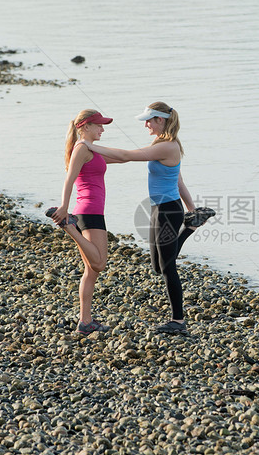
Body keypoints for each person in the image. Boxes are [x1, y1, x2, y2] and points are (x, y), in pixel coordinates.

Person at [83, 102, 215, 335]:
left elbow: (126, 156)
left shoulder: (169, 147)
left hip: (169, 211)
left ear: (160, 120)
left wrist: (88, 145)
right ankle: (192, 225)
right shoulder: (160, 144)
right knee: (157, 265)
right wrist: (89, 156)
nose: (146, 124)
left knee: (167, 266)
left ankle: (178, 321)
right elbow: (178, 180)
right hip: (159, 209)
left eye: (149, 120)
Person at [47, 109, 121, 334]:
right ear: (84, 126)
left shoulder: (91, 150)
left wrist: (151, 154)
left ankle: (85, 322)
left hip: (90, 211)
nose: (102, 129)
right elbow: (69, 178)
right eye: (98, 125)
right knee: (99, 264)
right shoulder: (81, 148)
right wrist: (63, 207)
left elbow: (121, 157)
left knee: (91, 271)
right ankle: (69, 227)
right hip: (89, 212)